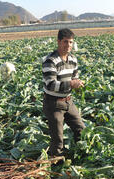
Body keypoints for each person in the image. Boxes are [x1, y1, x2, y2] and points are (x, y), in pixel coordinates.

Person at [42, 28, 85, 160]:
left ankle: (82, 157)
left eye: (71, 42)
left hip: (68, 101)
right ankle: (56, 167)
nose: (68, 45)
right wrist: (71, 84)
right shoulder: (50, 61)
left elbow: (74, 78)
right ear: (58, 42)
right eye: (65, 42)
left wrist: (78, 85)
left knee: (81, 130)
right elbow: (50, 84)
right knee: (58, 140)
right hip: (53, 103)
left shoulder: (73, 59)